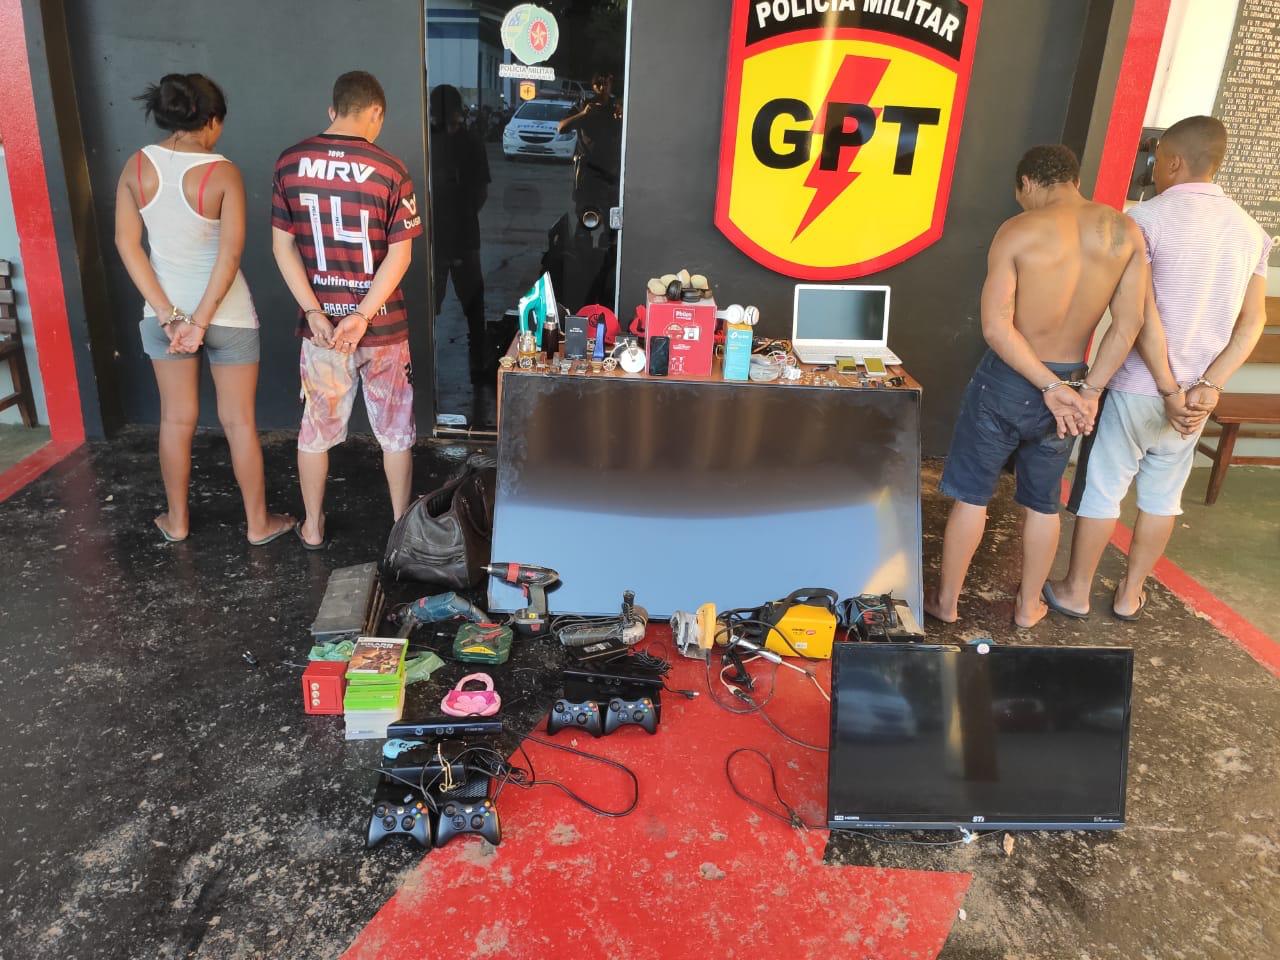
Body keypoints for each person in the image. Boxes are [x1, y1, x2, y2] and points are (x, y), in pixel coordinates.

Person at [1046, 117, 1272, 620]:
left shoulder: (1144, 220)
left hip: (1138, 387)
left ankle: (1076, 590)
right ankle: (1129, 596)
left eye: (1157, 160)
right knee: (1162, 497)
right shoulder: (1252, 232)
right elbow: (1253, 321)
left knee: (1103, 488)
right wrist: (1209, 387)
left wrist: (1168, 387)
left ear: (1172, 161)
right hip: (1194, 400)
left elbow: (1138, 316)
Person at [924, 145, 1147, 629]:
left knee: (973, 497)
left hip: (1009, 380)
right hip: (1072, 385)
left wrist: (1047, 385)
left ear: (1027, 183)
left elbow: (997, 327)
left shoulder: (1018, 230)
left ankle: (946, 604)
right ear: (1073, 179)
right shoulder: (1124, 231)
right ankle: (1027, 607)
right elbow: (1128, 325)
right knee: (1042, 503)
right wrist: (1085, 392)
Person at [114, 73, 295, 546]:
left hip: (162, 318)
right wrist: (200, 321)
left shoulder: (136, 167)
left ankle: (177, 522)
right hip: (227, 315)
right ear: (210, 120)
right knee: (238, 422)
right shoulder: (222, 171)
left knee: (175, 420)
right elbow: (230, 256)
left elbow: (127, 245)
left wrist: (169, 315)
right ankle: (258, 525)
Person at [271, 71, 424, 548]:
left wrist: (317, 312)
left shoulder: (290, 163)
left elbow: (283, 247)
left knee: (315, 429)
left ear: (331, 109)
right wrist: (362, 315)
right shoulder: (391, 170)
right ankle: (400, 527)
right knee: (395, 431)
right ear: (376, 112)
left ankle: (313, 526)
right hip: (383, 330)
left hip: (322, 335)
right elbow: (400, 254)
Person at [429, 84, 490, 383]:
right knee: (431, 302)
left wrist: (463, 215)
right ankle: (424, 364)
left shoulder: (470, 143)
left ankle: (479, 362)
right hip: (436, 236)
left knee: (473, 303)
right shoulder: (428, 140)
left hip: (463, 235)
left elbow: (481, 190)